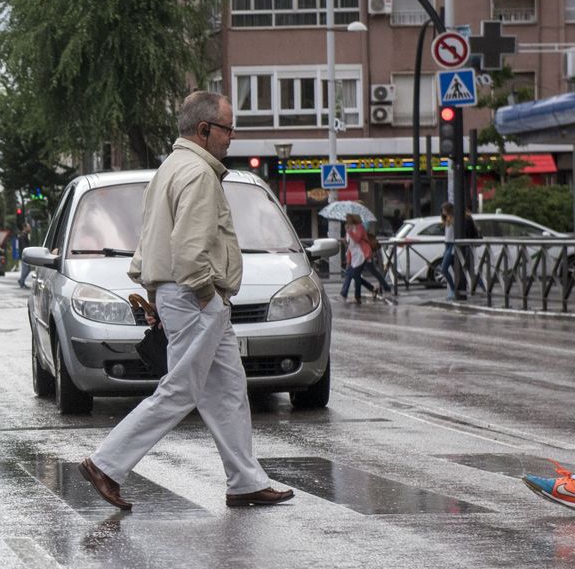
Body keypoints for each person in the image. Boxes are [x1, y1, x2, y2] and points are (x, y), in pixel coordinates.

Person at [76, 91, 295, 511]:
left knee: (228, 389)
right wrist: (207, 295)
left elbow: (151, 240)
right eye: (228, 129)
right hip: (195, 295)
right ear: (204, 130)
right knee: (181, 389)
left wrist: (158, 293)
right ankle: (107, 463)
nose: (232, 138)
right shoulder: (197, 174)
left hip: (180, 293)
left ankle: (246, 480)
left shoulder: (170, 169)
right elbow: (190, 248)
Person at [339, 215, 390, 304]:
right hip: (354, 256)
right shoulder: (349, 229)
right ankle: (367, 290)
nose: (346, 220)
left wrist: (349, 231)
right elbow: (349, 243)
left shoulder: (359, 227)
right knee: (353, 274)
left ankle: (356, 295)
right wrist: (345, 240)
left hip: (363, 255)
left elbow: (357, 239)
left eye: (348, 219)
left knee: (367, 273)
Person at [438, 203, 476, 300]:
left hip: (452, 245)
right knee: (457, 270)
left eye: (443, 209)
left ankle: (453, 289)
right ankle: (456, 289)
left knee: (444, 269)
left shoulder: (454, 220)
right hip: (447, 245)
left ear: (448, 210)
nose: (442, 212)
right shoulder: (447, 220)